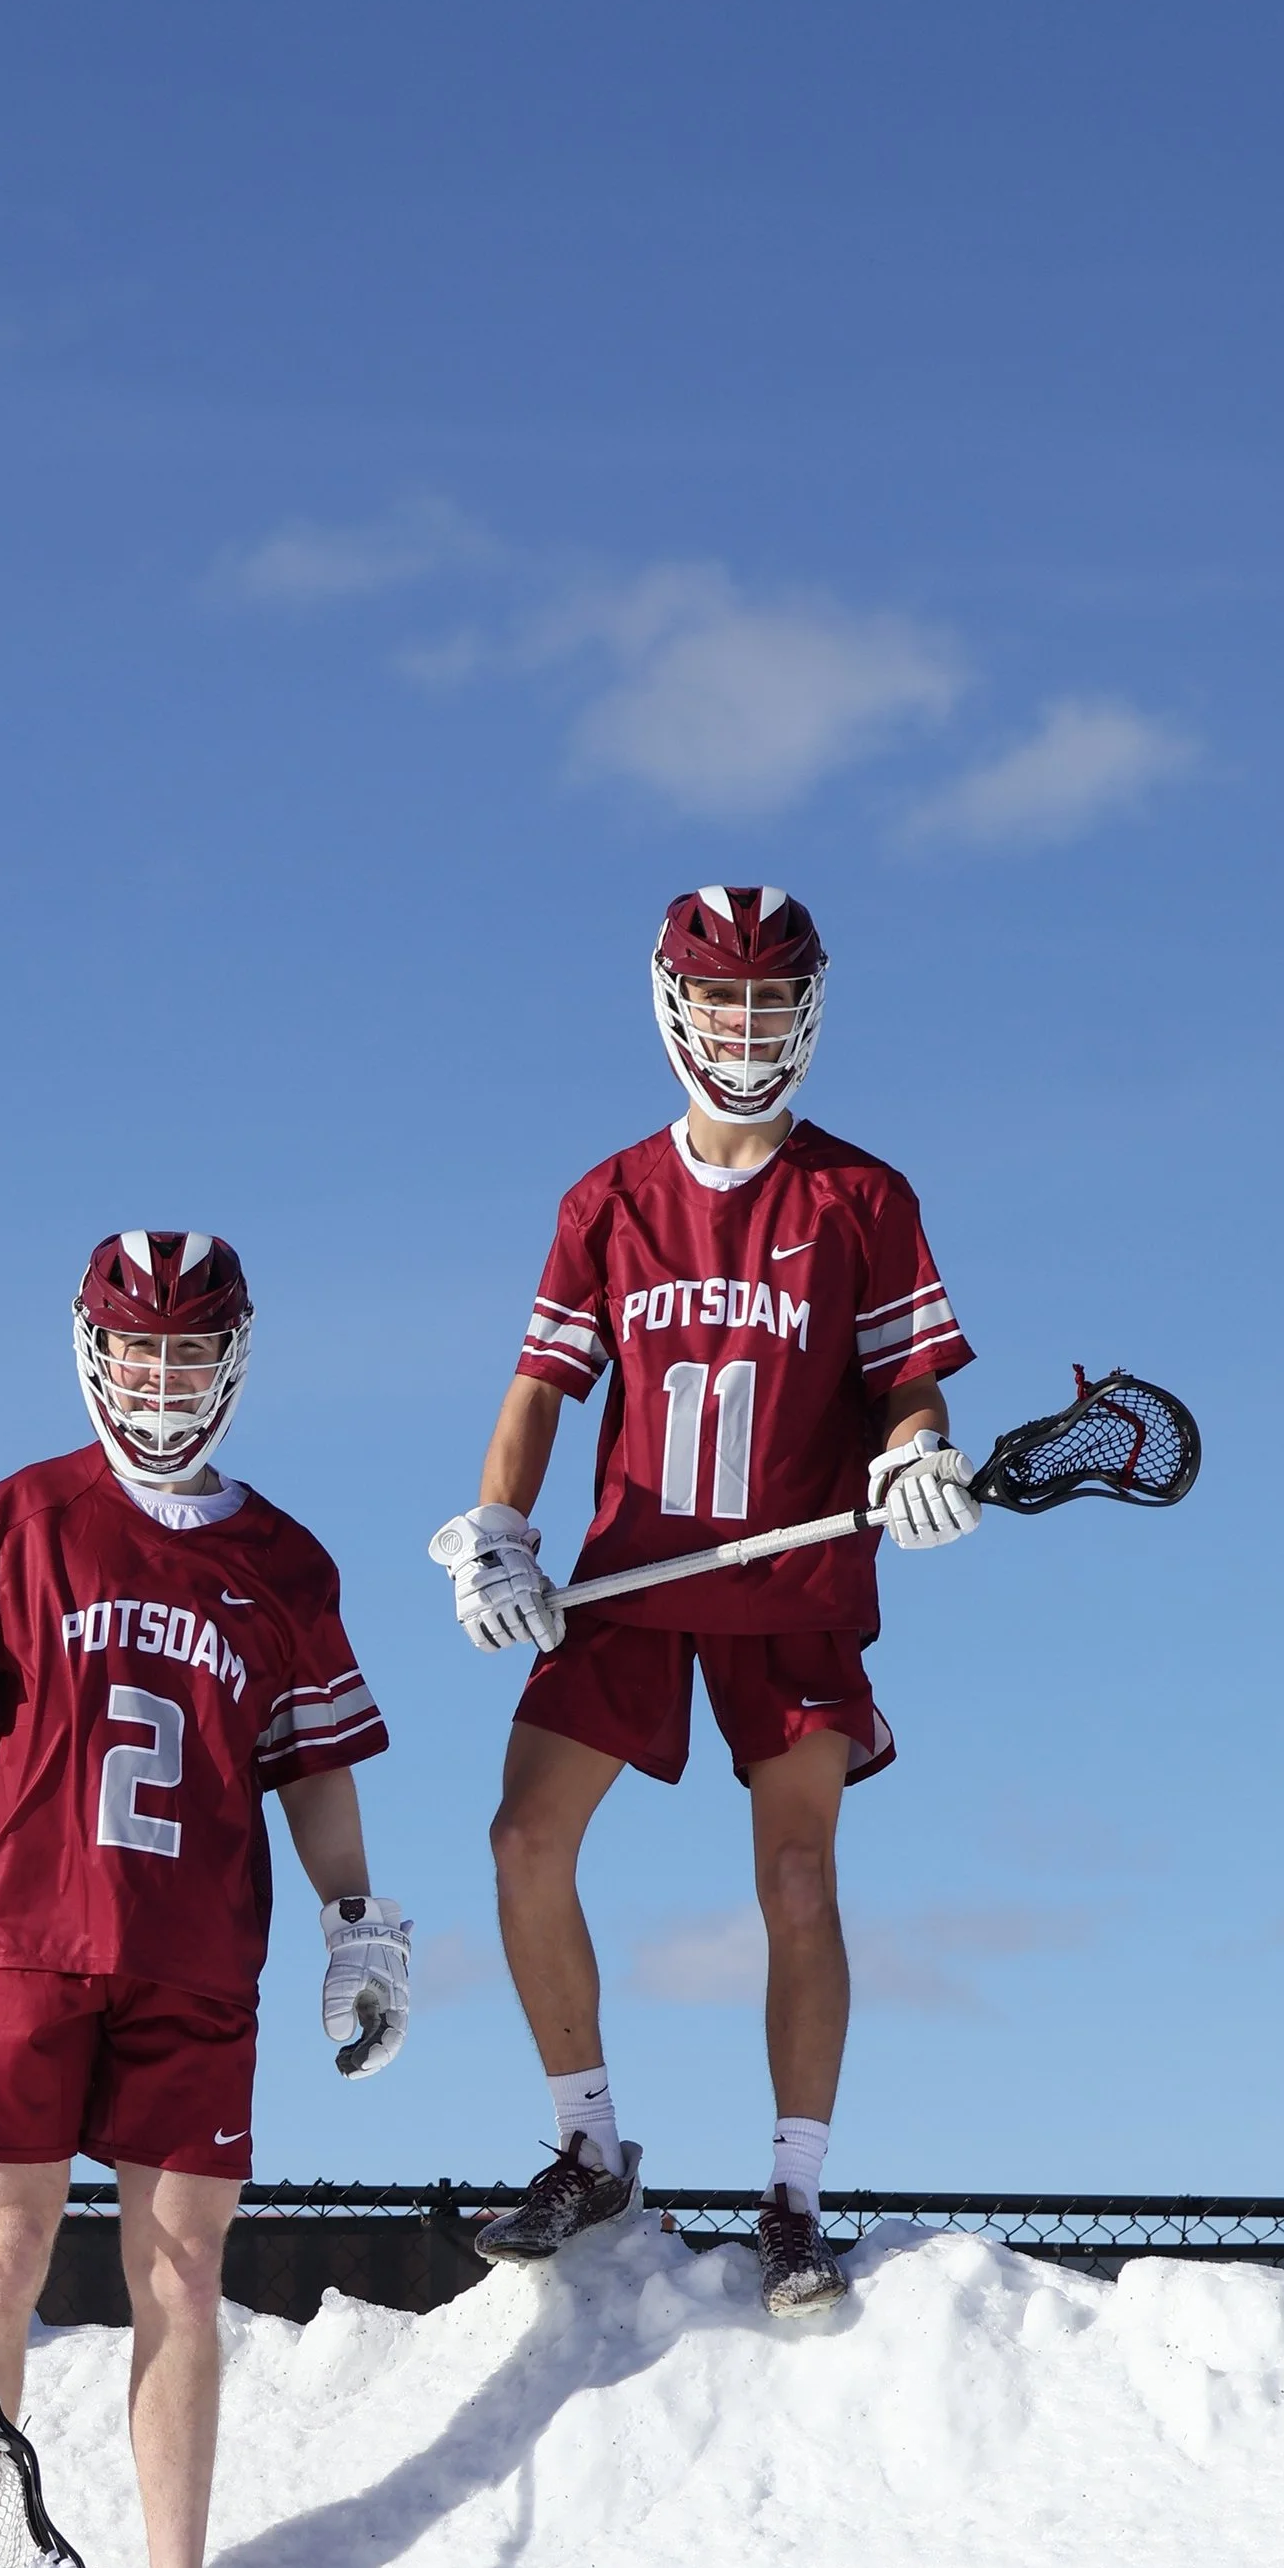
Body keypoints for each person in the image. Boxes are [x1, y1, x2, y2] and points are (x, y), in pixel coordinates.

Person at [0, 1230, 409, 2568]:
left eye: (188, 1356)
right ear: (95, 1353)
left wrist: (355, 1917)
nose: (162, 1385)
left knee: (182, 2274)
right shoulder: (19, 1518)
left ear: (232, 1361)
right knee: (2, 2251)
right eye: (141, 1354)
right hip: (27, 1940)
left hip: (196, 1958)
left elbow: (313, 1766)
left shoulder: (284, 1562)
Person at [431, 887, 976, 2318]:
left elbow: (907, 1383)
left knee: (797, 1878)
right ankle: (589, 2148)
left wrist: (918, 1455)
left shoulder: (862, 1195)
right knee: (523, 1838)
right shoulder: (608, 1199)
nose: (746, 1029)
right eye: (724, 1002)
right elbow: (541, 1388)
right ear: (676, 1008)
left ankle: (793, 2197)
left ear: (808, 1010)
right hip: (636, 1570)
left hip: (792, 1573)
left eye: (769, 1003)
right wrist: (500, 1527)